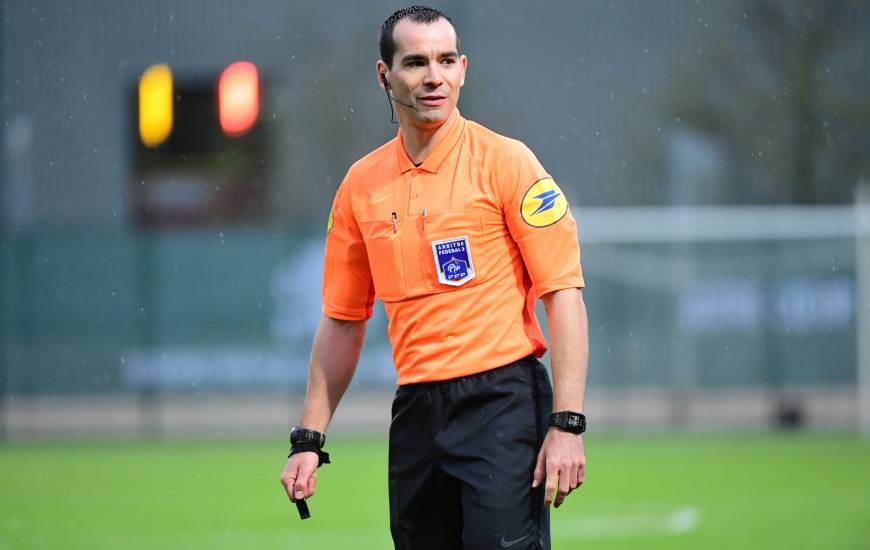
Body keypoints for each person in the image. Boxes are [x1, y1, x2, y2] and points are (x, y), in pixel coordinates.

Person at [280, 5, 589, 549]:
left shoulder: (507, 162)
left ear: (463, 68)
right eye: (416, 62)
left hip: (502, 404)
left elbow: (563, 295)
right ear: (384, 75)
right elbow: (344, 321)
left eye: (446, 60)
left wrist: (566, 424)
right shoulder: (360, 185)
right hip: (416, 412)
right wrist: (309, 437)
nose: (434, 77)